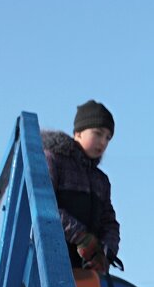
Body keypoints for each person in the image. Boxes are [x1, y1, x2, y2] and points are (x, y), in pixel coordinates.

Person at [42, 100, 121, 273]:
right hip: (51, 259)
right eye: (98, 133)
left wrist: (105, 252)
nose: (103, 142)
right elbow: (46, 207)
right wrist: (82, 238)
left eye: (108, 137)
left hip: (87, 266)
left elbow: (109, 222)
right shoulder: (53, 160)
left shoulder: (101, 181)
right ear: (78, 133)